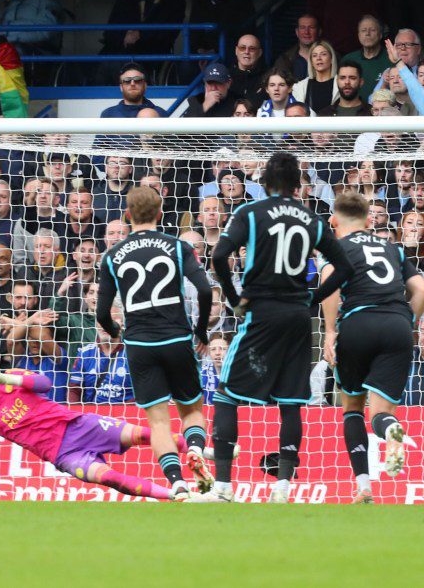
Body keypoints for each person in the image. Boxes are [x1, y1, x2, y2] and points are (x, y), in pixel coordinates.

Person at [202, 152, 354, 503]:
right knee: (290, 402)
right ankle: (282, 487)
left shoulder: (250, 212)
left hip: (262, 312)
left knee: (226, 396)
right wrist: (313, 300)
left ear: (266, 182)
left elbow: (218, 255)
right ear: (297, 183)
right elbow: (344, 267)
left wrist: (233, 295)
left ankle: (223, 488)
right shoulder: (312, 218)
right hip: (297, 316)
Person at [0, 348, 184, 501]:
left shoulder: (15, 375)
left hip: (79, 425)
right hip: (64, 454)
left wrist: (4, 377)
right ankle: (177, 495)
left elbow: (45, 384)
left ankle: (202, 450)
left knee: (145, 435)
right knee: (110, 479)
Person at [94, 186, 214, 499]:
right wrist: (200, 331)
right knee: (191, 410)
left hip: (140, 344)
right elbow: (204, 290)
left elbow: (101, 312)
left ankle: (176, 483)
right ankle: (197, 449)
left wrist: (115, 330)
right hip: (176, 337)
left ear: (128, 214)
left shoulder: (112, 256)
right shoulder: (177, 246)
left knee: (159, 422)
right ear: (160, 213)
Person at [319, 191, 424, 504]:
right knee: (381, 412)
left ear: (334, 221)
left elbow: (328, 280)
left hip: (358, 325)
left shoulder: (337, 247)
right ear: (368, 221)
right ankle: (390, 429)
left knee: (352, 407)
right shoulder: (391, 247)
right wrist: (410, 322)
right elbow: (420, 288)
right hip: (396, 326)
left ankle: (363, 487)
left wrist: (329, 332)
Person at [341, 15, 393, 102]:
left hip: (382, 112)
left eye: (372, 30)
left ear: (380, 35)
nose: (367, 33)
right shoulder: (348, 59)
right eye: (363, 30)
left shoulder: (391, 58)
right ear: (358, 35)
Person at [99, 63, 165, 117]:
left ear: (145, 85)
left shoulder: (159, 113)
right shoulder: (108, 115)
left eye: (137, 80)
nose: (132, 83)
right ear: (121, 87)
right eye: (127, 80)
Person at [272, 14, 321, 82]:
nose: (306, 32)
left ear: (319, 32)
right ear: (297, 32)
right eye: (302, 27)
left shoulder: (332, 57)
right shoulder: (284, 60)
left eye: (311, 27)